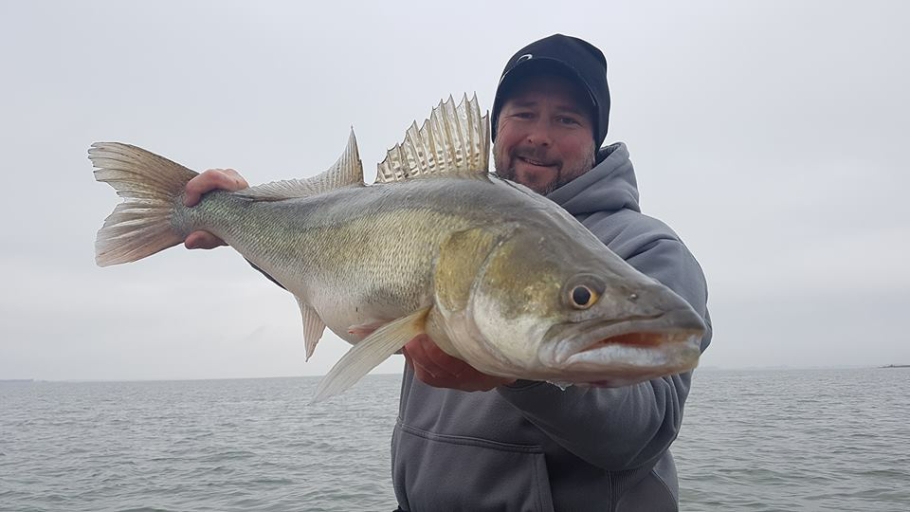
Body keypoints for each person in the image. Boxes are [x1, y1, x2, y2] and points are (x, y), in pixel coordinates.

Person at [185, 34, 712, 512]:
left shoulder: (649, 249)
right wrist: (235, 221)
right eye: (523, 113)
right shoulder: (450, 207)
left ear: (596, 138)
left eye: (567, 120)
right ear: (496, 128)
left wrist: (519, 376)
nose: (540, 136)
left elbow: (643, 431)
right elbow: (325, 272)